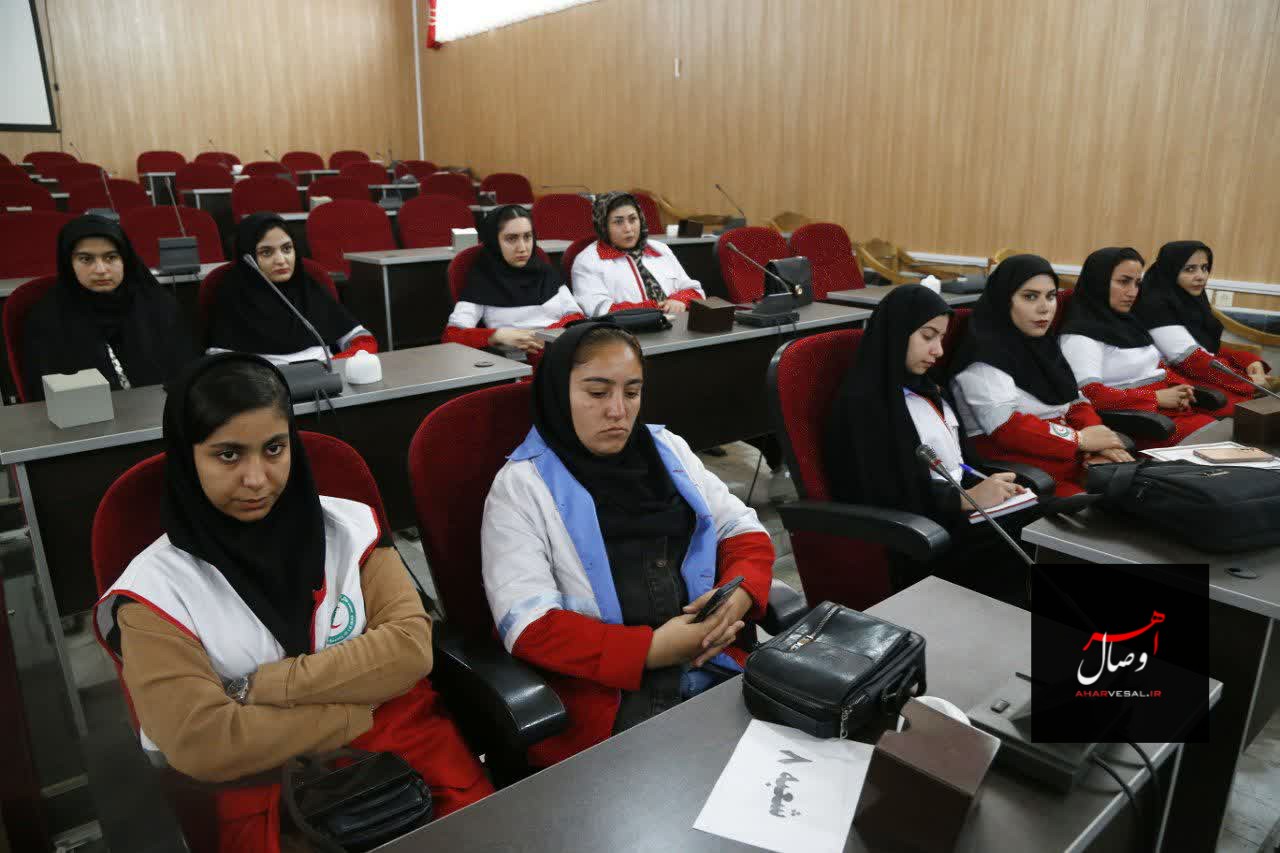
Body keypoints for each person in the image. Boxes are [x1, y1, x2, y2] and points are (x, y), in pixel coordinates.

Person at [93, 354, 492, 853]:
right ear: (187, 458)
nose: (257, 478)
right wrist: (352, 711)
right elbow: (203, 741)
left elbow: (409, 650)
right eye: (228, 455)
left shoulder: (351, 528)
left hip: (412, 754)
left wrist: (258, 687)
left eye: (274, 449)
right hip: (274, 792)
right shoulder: (154, 592)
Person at [481, 321, 774, 767]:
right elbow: (529, 625)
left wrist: (740, 595)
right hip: (611, 701)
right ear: (558, 393)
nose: (618, 411)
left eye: (632, 392)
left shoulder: (666, 450)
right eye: (597, 393)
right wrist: (652, 650)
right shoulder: (520, 486)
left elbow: (742, 529)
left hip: (713, 665)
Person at [824, 284, 1032, 602]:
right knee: (1029, 540)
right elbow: (876, 492)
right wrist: (961, 499)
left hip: (954, 517)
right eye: (927, 336)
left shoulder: (929, 387)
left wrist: (987, 484)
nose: (938, 351)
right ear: (897, 333)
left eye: (941, 338)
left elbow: (958, 462)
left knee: (1042, 516)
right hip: (918, 537)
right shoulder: (863, 404)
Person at [949, 254, 1132, 496]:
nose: (1045, 307)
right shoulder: (984, 357)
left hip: (1071, 461)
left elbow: (1075, 401)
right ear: (1004, 300)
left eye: (1051, 296)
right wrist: (1080, 440)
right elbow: (1007, 428)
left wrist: (1099, 442)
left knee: (1141, 490)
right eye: (1030, 297)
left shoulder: (1042, 345)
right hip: (1028, 476)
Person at [1058, 247, 1217, 447]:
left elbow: (1154, 365)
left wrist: (1180, 387)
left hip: (1170, 414)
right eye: (1124, 282)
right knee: (1226, 446)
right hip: (1144, 425)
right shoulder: (1080, 336)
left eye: (1137, 283)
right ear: (1098, 282)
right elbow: (1090, 394)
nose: (1133, 292)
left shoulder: (1127, 322)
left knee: (1236, 439)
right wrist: (1155, 397)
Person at [22, 214, 191, 401]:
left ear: (125, 259)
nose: (101, 270)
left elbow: (188, 377)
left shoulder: (159, 306)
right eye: (86, 259)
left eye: (111, 257)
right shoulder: (48, 320)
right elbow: (45, 397)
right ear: (69, 264)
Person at [207, 212, 377, 364]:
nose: (281, 260)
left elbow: (362, 339)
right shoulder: (232, 297)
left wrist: (338, 365)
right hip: (264, 385)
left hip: (328, 379)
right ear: (247, 258)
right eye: (266, 252)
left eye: (287, 249)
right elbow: (223, 365)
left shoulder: (310, 289)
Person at [1133, 240, 1271, 409]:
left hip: (1196, 377)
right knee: (1251, 408)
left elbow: (1208, 348)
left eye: (1204, 268)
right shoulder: (1155, 306)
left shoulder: (1188, 300)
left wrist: (1248, 362)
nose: (1201, 276)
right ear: (1170, 271)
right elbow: (1193, 361)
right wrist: (1247, 381)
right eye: (1190, 269)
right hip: (1171, 387)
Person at [442, 204, 584, 358]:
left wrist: (546, 334)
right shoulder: (482, 280)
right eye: (511, 238)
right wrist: (496, 336)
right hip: (515, 361)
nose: (522, 248)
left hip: (562, 351)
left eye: (527, 237)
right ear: (494, 241)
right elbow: (452, 336)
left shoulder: (546, 272)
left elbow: (576, 317)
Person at [571, 191, 705, 317]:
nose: (628, 229)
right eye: (618, 222)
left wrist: (680, 300)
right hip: (624, 332)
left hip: (677, 324)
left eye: (633, 219)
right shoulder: (587, 261)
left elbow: (695, 291)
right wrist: (657, 308)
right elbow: (599, 310)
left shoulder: (659, 249)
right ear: (603, 226)